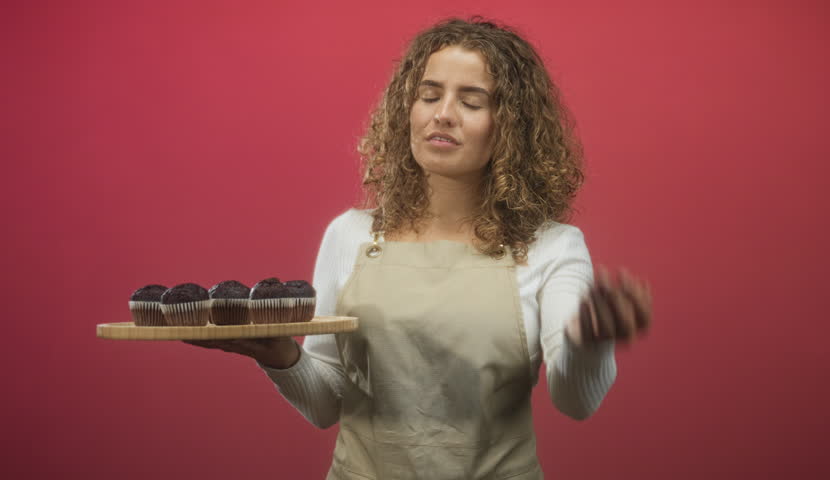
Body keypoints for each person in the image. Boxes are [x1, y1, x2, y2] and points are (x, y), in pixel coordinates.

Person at [185, 16, 652, 479]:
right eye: (429, 96)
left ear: (512, 127)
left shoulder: (552, 247)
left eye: (471, 101)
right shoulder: (350, 236)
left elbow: (576, 401)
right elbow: (326, 403)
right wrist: (280, 356)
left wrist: (591, 343)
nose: (442, 114)